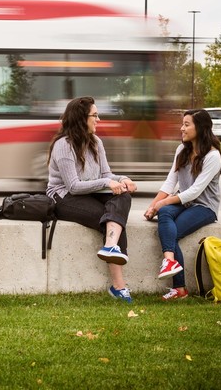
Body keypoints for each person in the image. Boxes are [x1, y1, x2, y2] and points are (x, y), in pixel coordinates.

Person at [46, 96, 138, 303]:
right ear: (81, 118)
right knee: (107, 218)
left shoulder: (96, 142)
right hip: (64, 196)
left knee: (122, 196)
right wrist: (106, 183)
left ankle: (110, 246)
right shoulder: (64, 145)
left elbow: (107, 173)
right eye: (95, 115)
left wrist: (123, 180)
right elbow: (73, 186)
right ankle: (119, 286)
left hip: (89, 192)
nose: (99, 119)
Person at [144, 109, 221, 301]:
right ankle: (170, 263)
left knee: (174, 232)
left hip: (205, 207)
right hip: (185, 201)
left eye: (187, 124)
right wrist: (153, 205)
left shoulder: (213, 156)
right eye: (183, 124)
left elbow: (195, 191)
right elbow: (170, 182)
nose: (182, 128)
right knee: (164, 212)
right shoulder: (182, 149)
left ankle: (179, 288)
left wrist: (164, 202)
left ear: (201, 128)